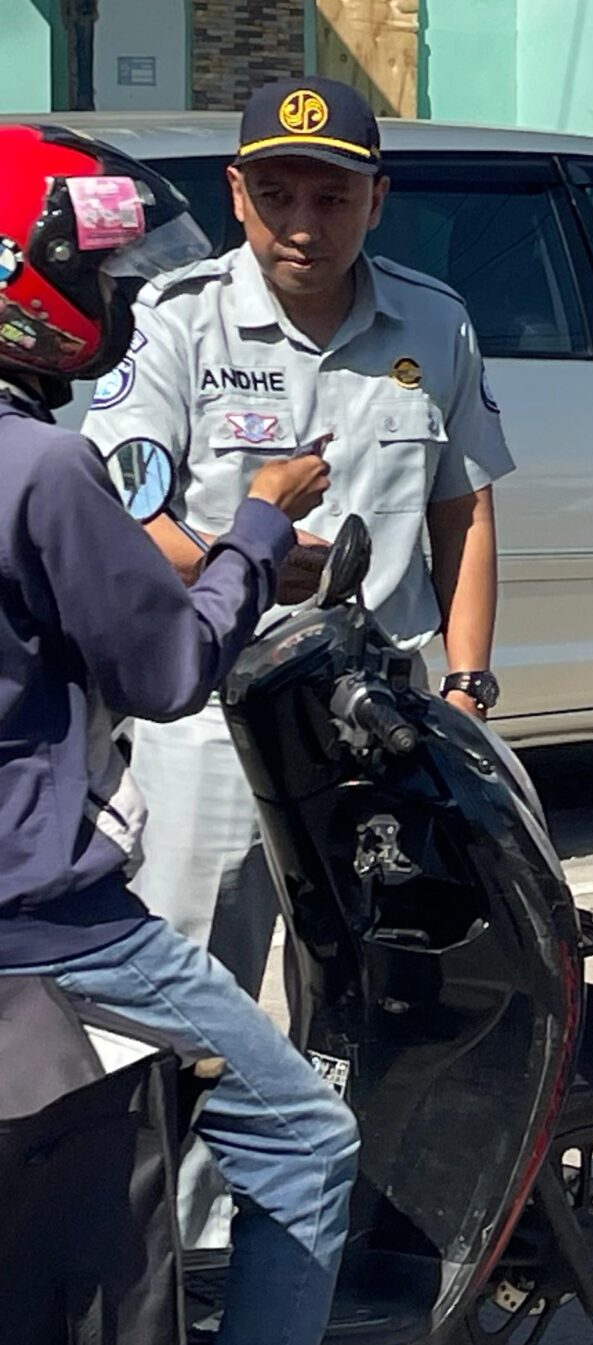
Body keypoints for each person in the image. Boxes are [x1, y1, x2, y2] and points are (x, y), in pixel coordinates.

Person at [79, 75, 515, 1245]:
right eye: (276, 196)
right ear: (237, 194)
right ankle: (178, 1257)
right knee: (193, 999)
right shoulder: (175, 318)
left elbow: (465, 510)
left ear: (378, 199)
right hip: (217, 719)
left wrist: (467, 686)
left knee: (381, 994)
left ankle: (346, 1244)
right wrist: (242, 555)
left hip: (380, 725)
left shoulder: (434, 323)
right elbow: (128, 512)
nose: (303, 226)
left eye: (331, 198)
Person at [0, 123, 356, 1345]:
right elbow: (166, 672)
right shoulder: (43, 467)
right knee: (304, 1139)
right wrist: (258, 528)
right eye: (100, 276)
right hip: (50, 921)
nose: (114, 298)